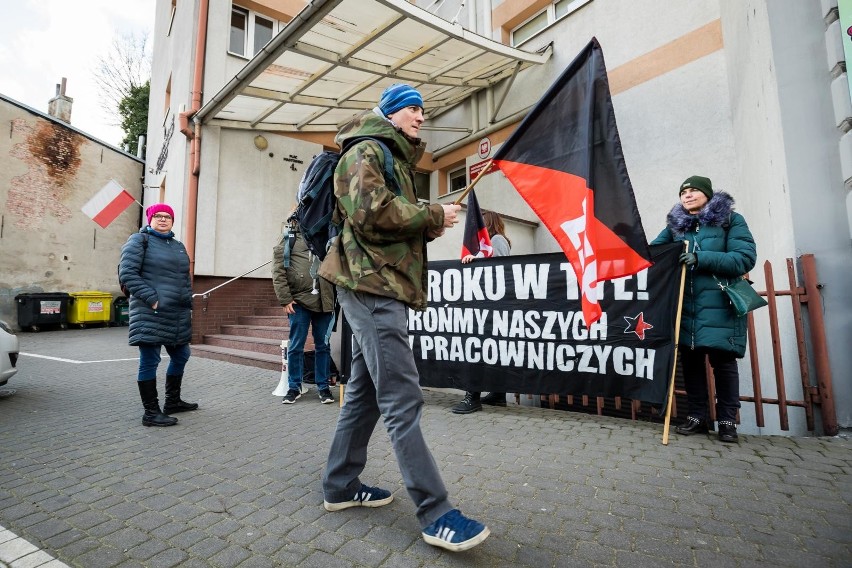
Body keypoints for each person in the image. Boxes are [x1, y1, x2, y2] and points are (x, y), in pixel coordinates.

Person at [318, 84, 490, 552]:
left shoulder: (393, 156)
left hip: (379, 282)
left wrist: (432, 219)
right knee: (402, 397)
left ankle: (340, 484)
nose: (420, 117)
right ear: (391, 113)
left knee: (367, 393)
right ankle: (436, 514)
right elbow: (371, 211)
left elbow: (393, 230)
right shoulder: (366, 149)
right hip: (372, 287)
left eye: (422, 110)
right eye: (413, 109)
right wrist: (432, 212)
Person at [651, 176, 757, 443]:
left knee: (723, 362)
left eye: (693, 190)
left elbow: (744, 258)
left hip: (719, 304)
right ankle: (697, 417)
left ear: (708, 194)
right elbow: (653, 253)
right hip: (686, 306)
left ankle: (726, 422)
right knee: (691, 361)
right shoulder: (675, 227)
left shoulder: (731, 221)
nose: (687, 195)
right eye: (683, 191)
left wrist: (701, 258)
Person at [119, 203, 197, 427]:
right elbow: (128, 274)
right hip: (149, 312)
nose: (163, 220)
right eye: (158, 216)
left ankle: (172, 402)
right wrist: (152, 298)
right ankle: (151, 413)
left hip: (177, 313)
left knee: (181, 356)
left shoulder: (178, 246)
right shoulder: (138, 241)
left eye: (168, 217)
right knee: (149, 361)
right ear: (150, 219)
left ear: (172, 221)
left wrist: (187, 301)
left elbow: (183, 279)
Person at [452, 210, 512, 414]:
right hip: (487, 306)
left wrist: (475, 261)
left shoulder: (497, 240)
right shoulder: (490, 243)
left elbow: (498, 269)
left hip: (491, 308)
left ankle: (473, 395)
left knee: (477, 348)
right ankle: (498, 394)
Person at [272, 216, 335, 404]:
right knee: (296, 346)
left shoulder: (327, 237)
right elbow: (278, 270)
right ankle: (294, 386)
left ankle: (323, 388)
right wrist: (285, 299)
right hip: (298, 301)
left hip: (325, 301)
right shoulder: (290, 238)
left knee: (323, 346)